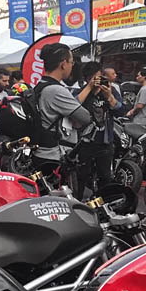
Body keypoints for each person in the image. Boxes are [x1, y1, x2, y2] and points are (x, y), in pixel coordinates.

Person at [31, 43, 92, 174]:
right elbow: (86, 117)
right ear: (63, 64)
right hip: (54, 156)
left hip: (41, 152)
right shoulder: (56, 90)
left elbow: (70, 106)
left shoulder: (41, 85)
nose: (72, 66)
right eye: (71, 62)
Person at [75, 61, 125, 198]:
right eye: (94, 78)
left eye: (99, 77)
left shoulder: (110, 90)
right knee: (81, 175)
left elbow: (121, 111)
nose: (98, 81)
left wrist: (109, 96)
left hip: (105, 141)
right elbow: (73, 106)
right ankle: (78, 201)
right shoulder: (83, 91)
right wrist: (89, 87)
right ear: (87, 78)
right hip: (85, 142)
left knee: (105, 177)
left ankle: (103, 203)